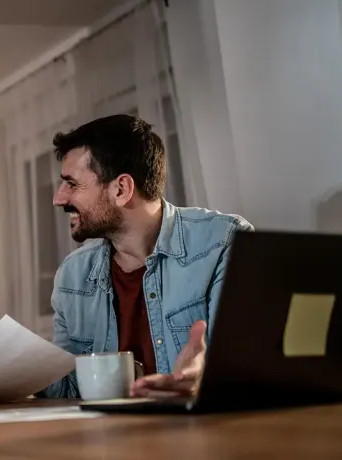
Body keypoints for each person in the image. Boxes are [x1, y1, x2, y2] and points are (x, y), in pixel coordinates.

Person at [42, 114, 253, 399]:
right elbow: (68, 390)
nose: (59, 198)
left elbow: (243, 367)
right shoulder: (72, 276)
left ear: (121, 189)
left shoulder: (224, 242)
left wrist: (203, 376)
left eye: (72, 184)